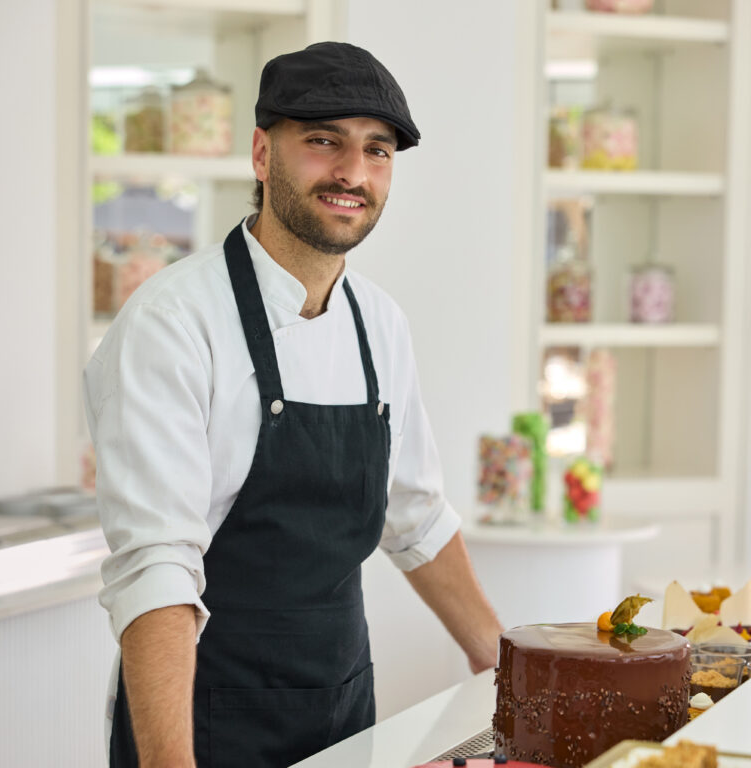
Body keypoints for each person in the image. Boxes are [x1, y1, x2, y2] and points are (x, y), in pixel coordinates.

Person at [84, 41, 503, 768]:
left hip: (344, 711)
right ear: (260, 153)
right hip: (203, 724)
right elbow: (155, 568)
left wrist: (509, 674)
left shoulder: (380, 323)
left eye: (377, 151)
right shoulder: (171, 322)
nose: (353, 173)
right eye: (323, 141)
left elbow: (415, 517)